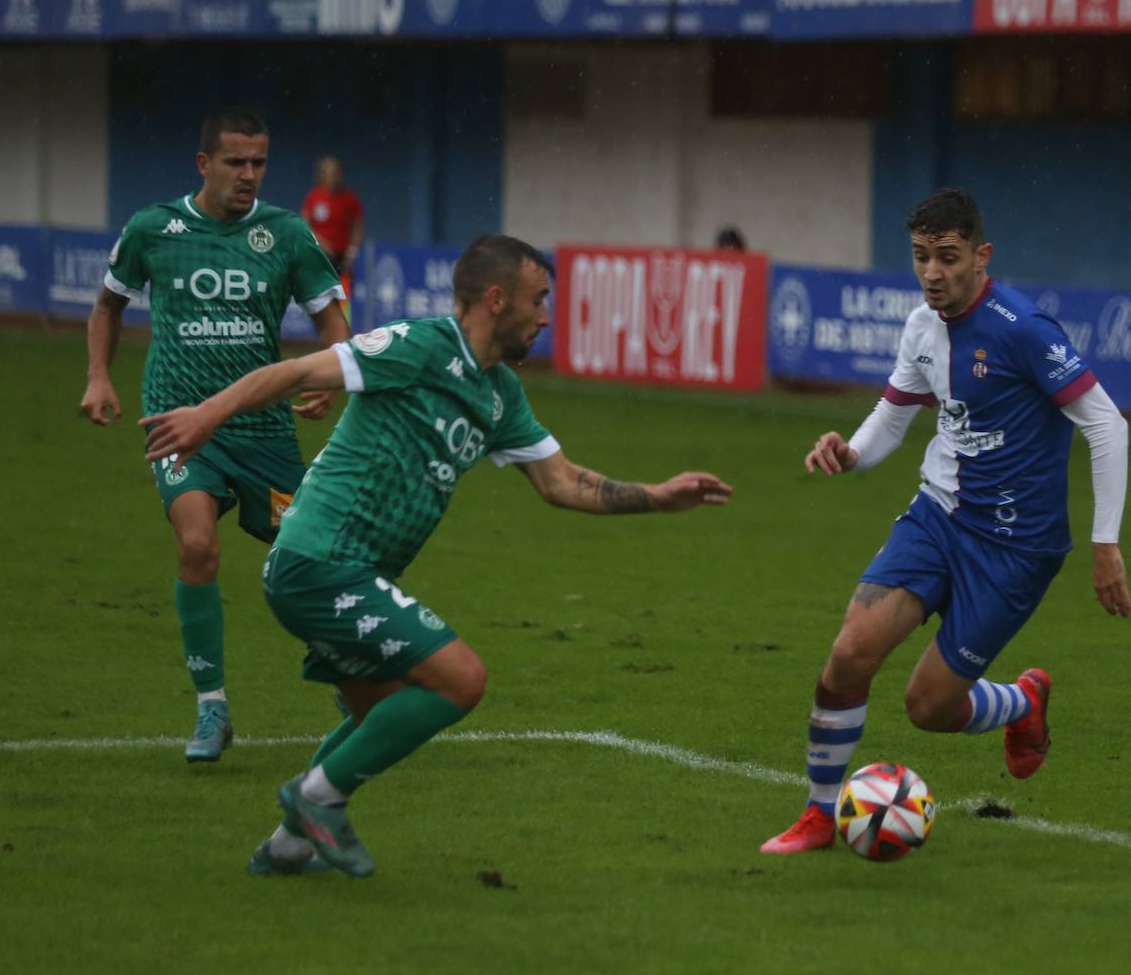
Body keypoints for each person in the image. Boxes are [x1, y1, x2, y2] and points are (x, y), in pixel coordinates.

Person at [139, 234, 734, 878]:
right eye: (538, 301)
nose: (545, 316)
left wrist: (658, 497)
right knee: (461, 679)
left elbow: (562, 483)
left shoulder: (500, 394)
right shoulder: (420, 346)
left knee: (381, 710)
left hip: (351, 574)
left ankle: (288, 845)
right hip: (319, 561)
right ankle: (315, 798)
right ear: (496, 298)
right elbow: (295, 372)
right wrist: (206, 416)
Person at [759, 187, 1131, 855]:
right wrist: (851, 452)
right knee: (848, 654)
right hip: (939, 516)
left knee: (928, 707)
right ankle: (818, 814)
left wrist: (1106, 543)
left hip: (1016, 548)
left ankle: (1023, 701)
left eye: (949, 257)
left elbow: (1106, 423)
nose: (933, 272)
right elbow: (892, 420)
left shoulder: (1023, 330)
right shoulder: (921, 328)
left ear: (982, 256)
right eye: (921, 257)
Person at [80, 106, 351, 764]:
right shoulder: (154, 227)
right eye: (236, 162)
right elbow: (108, 304)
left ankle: (351, 669)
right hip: (180, 424)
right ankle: (212, 709)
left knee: (310, 554)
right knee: (197, 543)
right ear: (204, 163)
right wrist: (98, 377)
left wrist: (332, 374)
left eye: (259, 162)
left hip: (263, 430)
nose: (249, 174)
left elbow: (334, 320)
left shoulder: (285, 233)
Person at [301, 156, 365, 310]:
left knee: (343, 298)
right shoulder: (313, 197)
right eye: (329, 173)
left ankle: (343, 332)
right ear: (321, 175)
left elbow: (358, 226)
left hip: (342, 259)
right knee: (321, 298)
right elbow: (303, 225)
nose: (333, 177)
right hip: (320, 256)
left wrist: (352, 252)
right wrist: (320, 243)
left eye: (336, 172)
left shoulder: (350, 199)